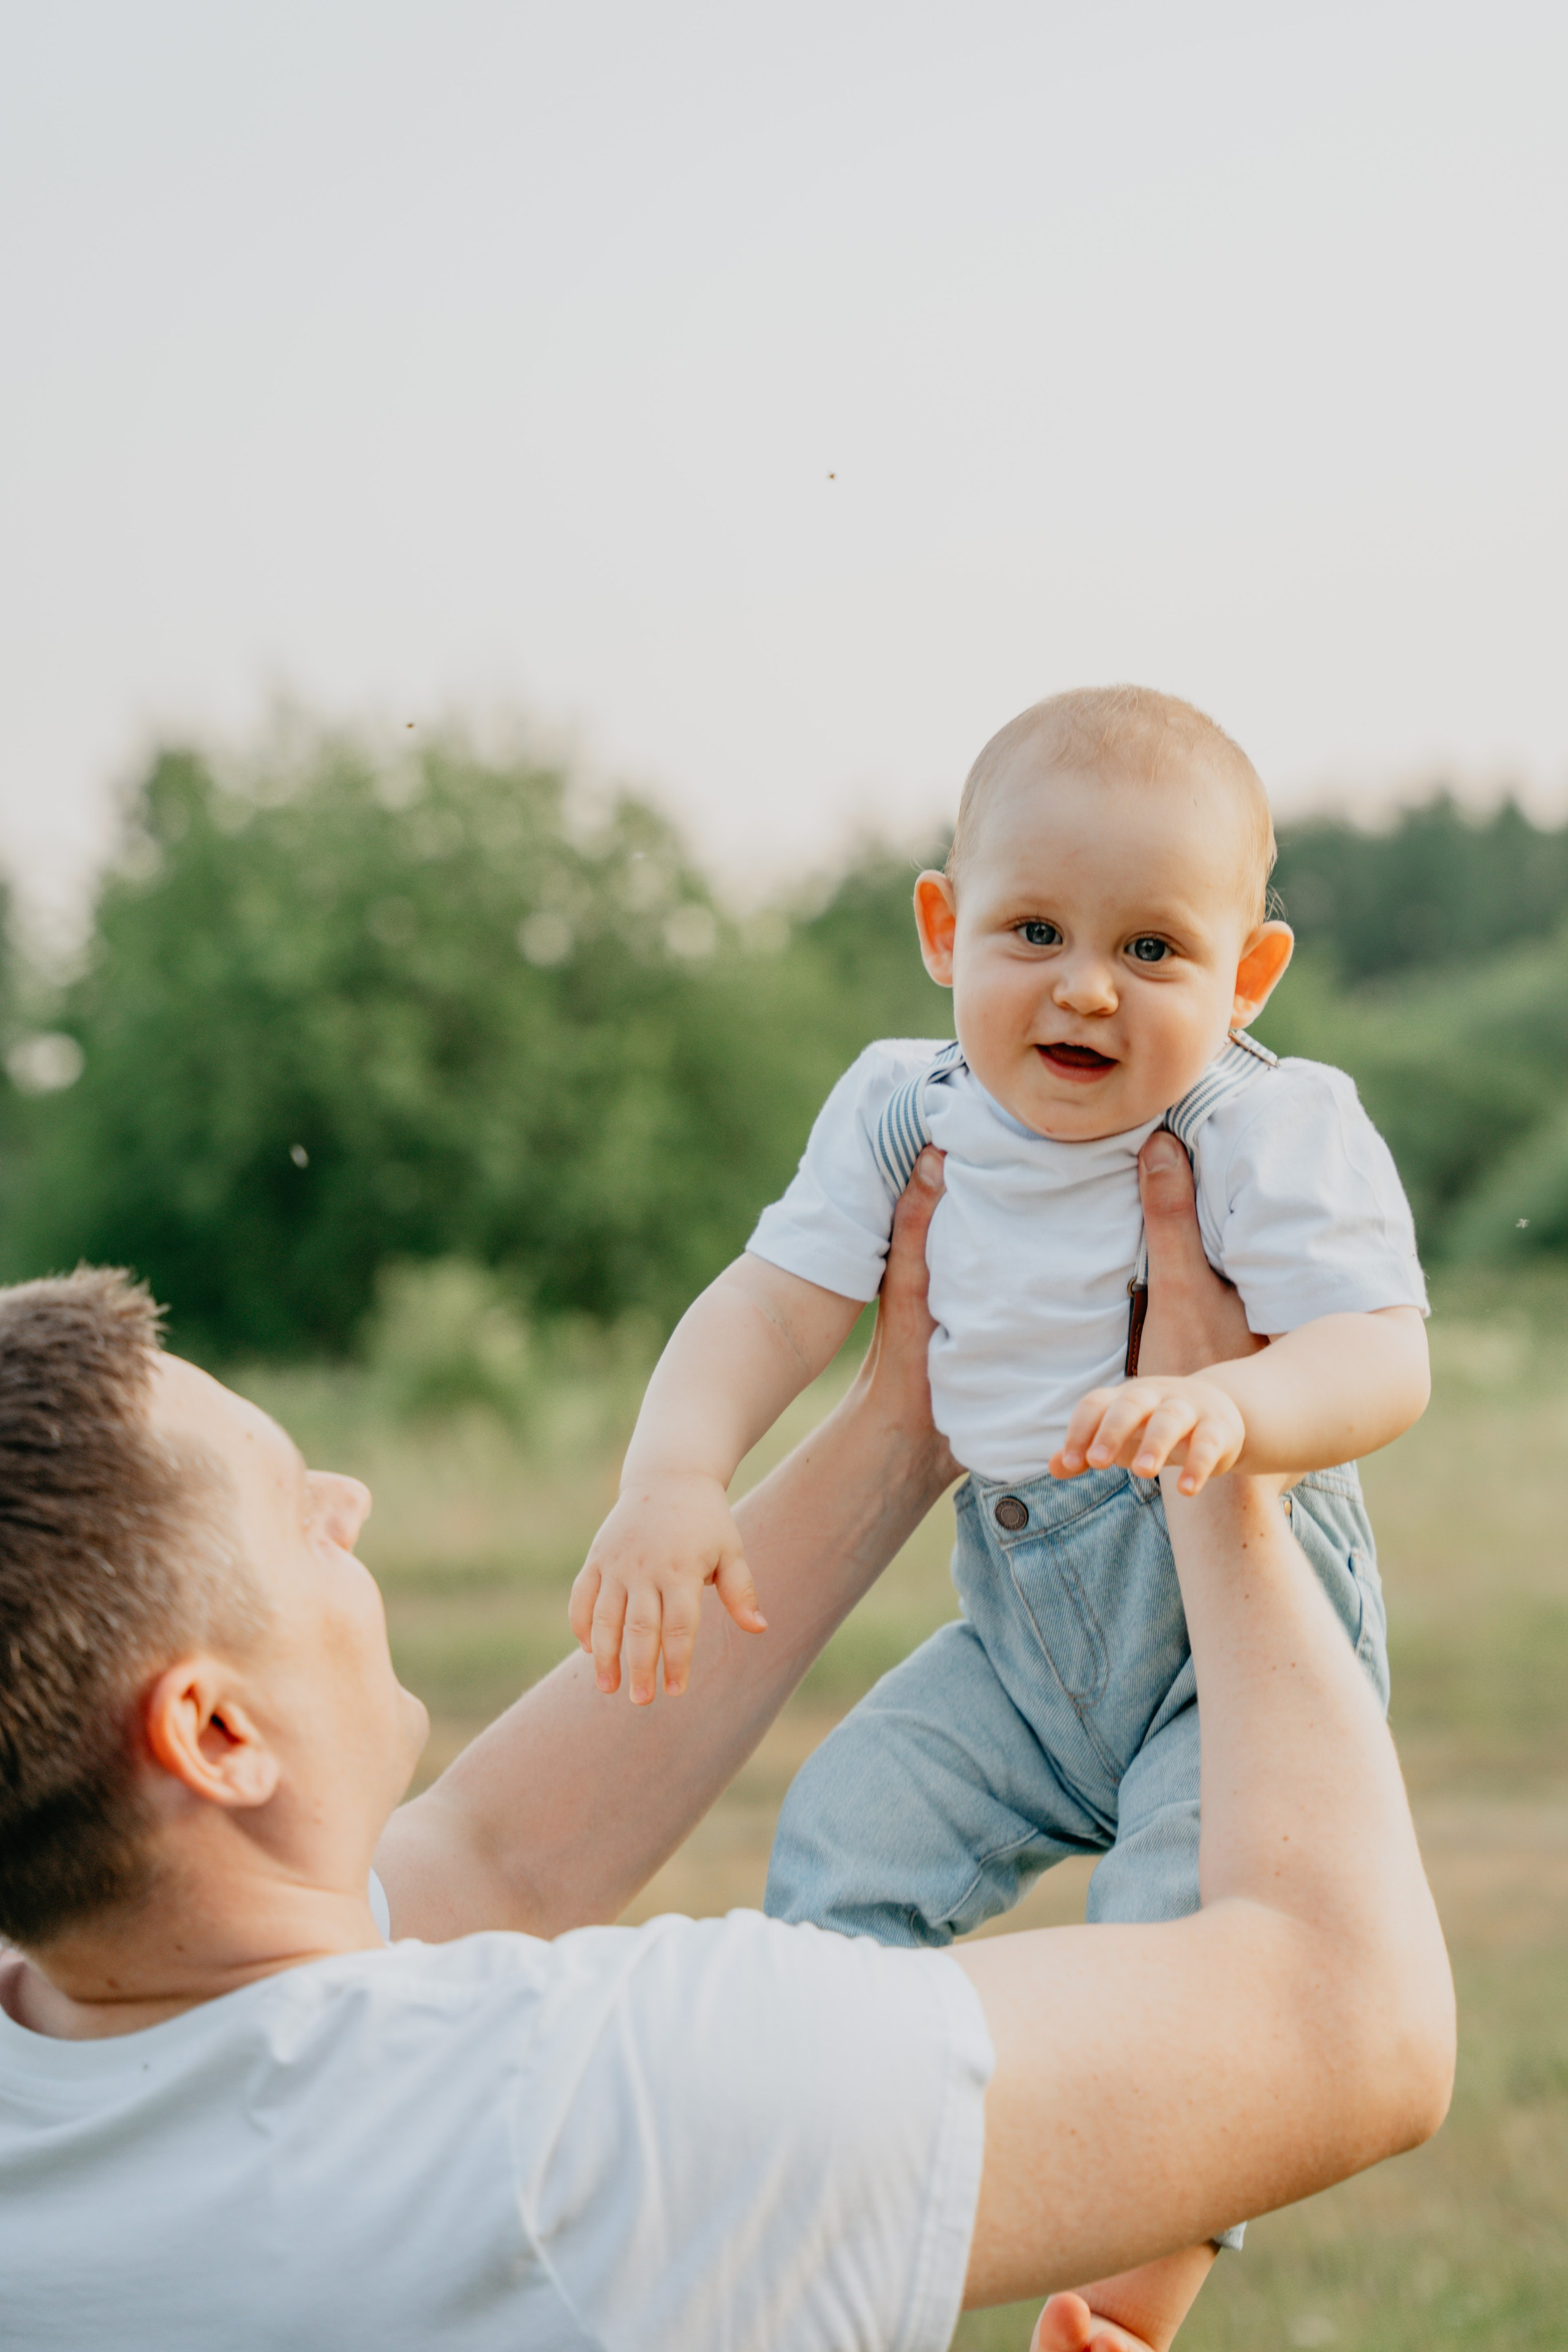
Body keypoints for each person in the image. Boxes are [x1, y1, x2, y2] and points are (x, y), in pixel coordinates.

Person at [0, 1144, 1452, 2351]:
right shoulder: (600, 2115)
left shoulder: (55, 2060)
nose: (349, 1496)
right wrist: (1223, 1472)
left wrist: (900, 1425)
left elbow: (491, 1860)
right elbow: (1349, 2027)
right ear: (215, 1731)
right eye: (285, 1509)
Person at [571, 687, 1433, 2342]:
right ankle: (850, 2181)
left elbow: (1379, 1359)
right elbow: (771, 1300)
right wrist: (674, 1473)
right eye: (1033, 929)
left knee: (1188, 1951)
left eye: (1156, 950)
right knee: (841, 1840)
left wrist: (1236, 1406)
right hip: (1022, 1626)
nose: (1087, 987)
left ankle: (1128, 2294)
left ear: (1249, 974)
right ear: (942, 925)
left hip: (1231, 1636)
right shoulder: (906, 1107)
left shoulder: (1259, 1122)